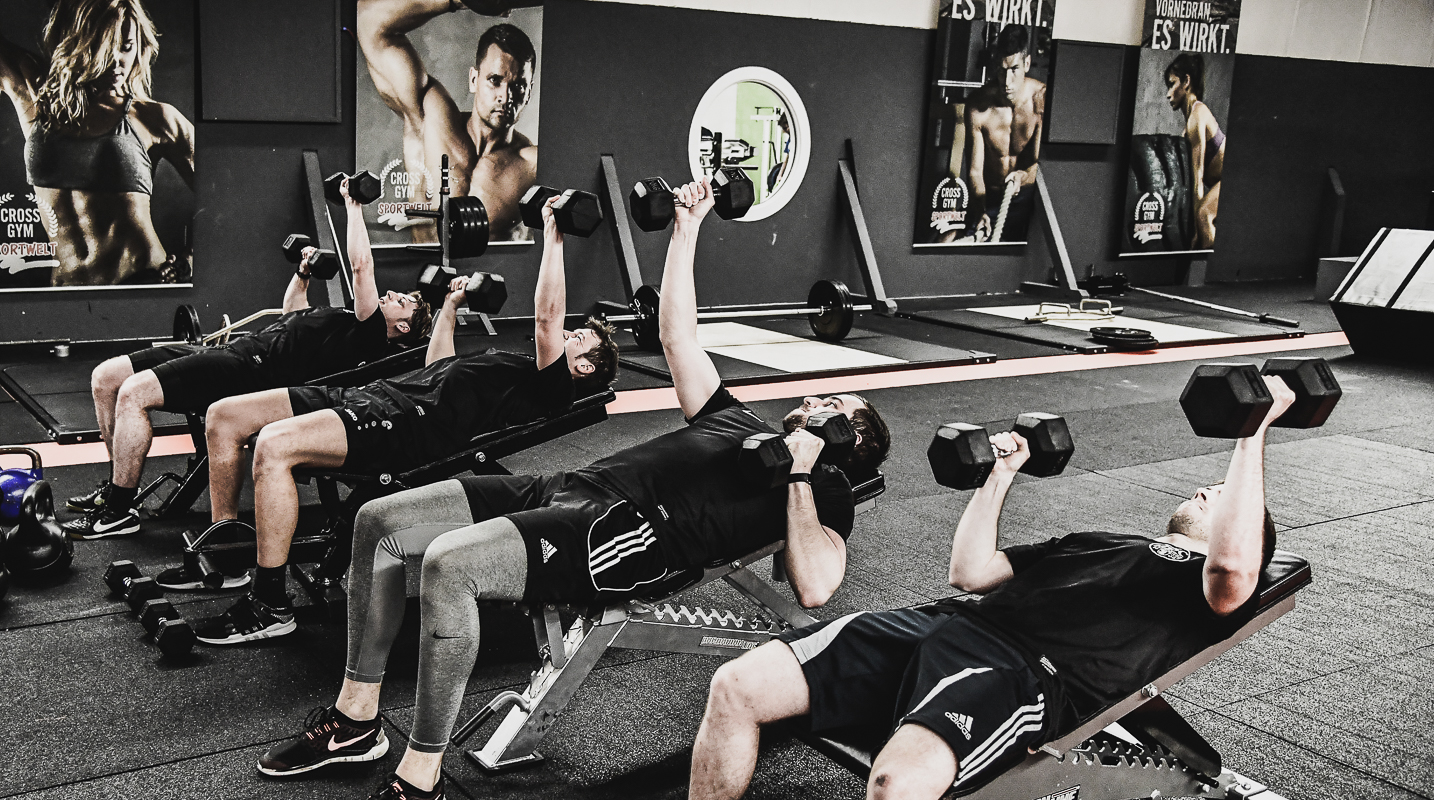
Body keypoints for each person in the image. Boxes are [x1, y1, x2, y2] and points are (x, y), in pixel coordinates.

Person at [252, 179, 892, 800]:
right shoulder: (733, 416)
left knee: (449, 566)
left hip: (621, 532)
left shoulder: (825, 491)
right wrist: (686, 229)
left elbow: (814, 586)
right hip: (566, 488)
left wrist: (805, 471)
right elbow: (677, 338)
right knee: (379, 520)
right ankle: (357, 721)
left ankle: (421, 777)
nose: (814, 398)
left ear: (851, 437)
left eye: (833, 402)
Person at [687, 375, 1295, 800]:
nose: (1208, 490)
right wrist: (999, 478)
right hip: (942, 620)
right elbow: (971, 574)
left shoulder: (1207, 583)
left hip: (1021, 672)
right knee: (736, 686)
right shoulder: (1102, 541)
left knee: (897, 785)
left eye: (1225, 495)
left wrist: (1251, 430)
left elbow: (1234, 569)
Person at [179, 196, 620, 642]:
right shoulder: (517, 369)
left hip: (406, 424)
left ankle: (270, 603)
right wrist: (449, 307)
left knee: (275, 446)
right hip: (384, 398)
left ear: (582, 367)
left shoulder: (553, 386)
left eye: (577, 338)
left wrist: (553, 231)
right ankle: (227, 547)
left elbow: (547, 318)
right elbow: (437, 365)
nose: (566, 333)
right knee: (225, 413)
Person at [64, 180, 432, 540]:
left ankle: (118, 511)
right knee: (106, 377)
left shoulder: (369, 334)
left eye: (402, 302)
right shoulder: (347, 320)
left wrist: (353, 205)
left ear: (400, 328)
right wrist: (302, 273)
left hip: (249, 371)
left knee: (134, 392)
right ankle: (113, 485)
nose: (393, 294)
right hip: (232, 351)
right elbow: (292, 312)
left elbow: (362, 266)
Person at [0, 0, 196, 286]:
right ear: (79, 43)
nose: (118, 59)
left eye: (127, 46)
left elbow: (226, 191)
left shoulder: (155, 118)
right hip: (65, 293)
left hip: (141, 282)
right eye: (104, 47)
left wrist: (192, 259)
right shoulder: (37, 99)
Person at [358, 0, 541, 242]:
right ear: (474, 80)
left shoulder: (533, 165)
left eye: (518, 86)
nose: (505, 96)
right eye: (495, 80)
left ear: (529, 93)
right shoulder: (429, 119)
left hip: (493, 277)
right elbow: (370, 24)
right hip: (424, 276)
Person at [947, 24, 1044, 244]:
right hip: (989, 201)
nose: (1007, 81)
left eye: (1014, 70)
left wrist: (1022, 176)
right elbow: (974, 172)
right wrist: (980, 210)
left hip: (1028, 201)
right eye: (1001, 70)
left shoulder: (1040, 101)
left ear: (1027, 64)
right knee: (953, 244)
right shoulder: (978, 106)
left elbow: (1040, 165)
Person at [1165, 53, 1224, 250]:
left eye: (1172, 84)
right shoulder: (1189, 123)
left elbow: (1197, 177)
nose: (1167, 94)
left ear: (1186, 81)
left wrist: (1197, 230)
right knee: (1199, 217)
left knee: (1203, 215)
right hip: (1218, 182)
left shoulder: (1197, 116)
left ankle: (1203, 275)